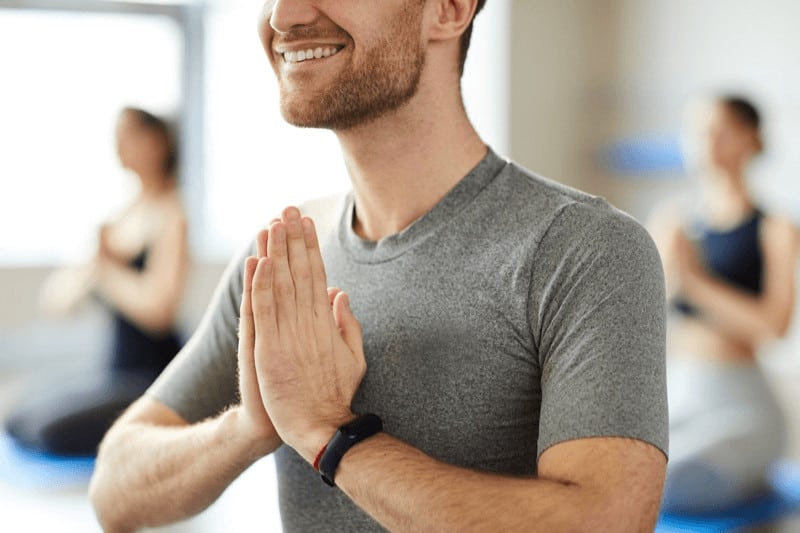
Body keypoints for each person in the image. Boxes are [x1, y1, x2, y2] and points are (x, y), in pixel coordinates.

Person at [90, 1, 668, 531]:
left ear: (448, 9)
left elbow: (606, 522)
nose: (283, 16)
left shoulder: (582, 249)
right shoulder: (284, 260)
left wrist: (330, 435)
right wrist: (249, 428)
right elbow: (114, 488)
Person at [4, 107, 188, 456]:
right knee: (18, 419)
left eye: (129, 136)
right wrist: (96, 268)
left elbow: (160, 310)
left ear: (158, 143)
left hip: (156, 378)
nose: (120, 146)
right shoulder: (121, 219)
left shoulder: (172, 214)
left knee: (48, 433)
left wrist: (107, 271)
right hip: (115, 372)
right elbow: (57, 302)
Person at [651, 95, 799, 512]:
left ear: (750, 140)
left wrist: (695, 283)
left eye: (719, 130)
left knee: (657, 486)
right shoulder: (673, 223)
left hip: (741, 406)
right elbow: (640, 313)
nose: (704, 142)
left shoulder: (777, 228)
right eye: (697, 131)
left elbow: (774, 326)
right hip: (679, 393)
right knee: (608, 473)